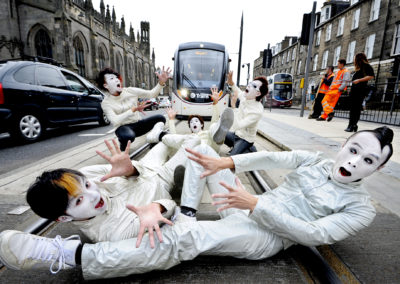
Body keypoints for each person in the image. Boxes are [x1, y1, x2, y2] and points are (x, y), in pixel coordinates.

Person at [0, 126, 393, 280]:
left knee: (179, 240)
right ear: (344, 143)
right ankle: (187, 211)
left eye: (368, 161)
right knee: (197, 149)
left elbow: (312, 233)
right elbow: (274, 159)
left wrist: (256, 205)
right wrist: (227, 161)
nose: (354, 161)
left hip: (266, 233)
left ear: (375, 170)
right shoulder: (316, 160)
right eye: (354, 149)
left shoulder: (361, 209)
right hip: (245, 203)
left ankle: (67, 254)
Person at [23, 136, 199, 243]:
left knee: (163, 144)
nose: (93, 194)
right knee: (195, 142)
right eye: (79, 200)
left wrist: (130, 170)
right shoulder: (114, 234)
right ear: (63, 218)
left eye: (87, 185)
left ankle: (161, 135)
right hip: (165, 182)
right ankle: (181, 181)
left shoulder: (85, 174)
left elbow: (129, 167)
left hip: (147, 167)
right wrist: (158, 207)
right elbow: (170, 206)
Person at [97, 67, 172, 150]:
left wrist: (161, 83)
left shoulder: (130, 91)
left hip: (138, 124)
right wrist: (132, 110)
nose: (117, 80)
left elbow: (151, 94)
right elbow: (115, 121)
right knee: (128, 136)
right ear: (105, 85)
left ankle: (154, 138)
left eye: (116, 78)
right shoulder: (106, 102)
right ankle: (123, 148)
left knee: (160, 118)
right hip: (123, 128)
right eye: (112, 78)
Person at [165, 87, 234, 153]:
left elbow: (214, 120)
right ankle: (219, 136)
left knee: (213, 127)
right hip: (195, 152)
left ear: (201, 124)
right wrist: (171, 120)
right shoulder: (188, 137)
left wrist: (215, 103)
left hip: (209, 149)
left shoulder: (207, 133)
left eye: (196, 121)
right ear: (190, 127)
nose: (194, 123)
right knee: (175, 141)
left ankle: (219, 135)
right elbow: (174, 138)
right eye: (191, 122)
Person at [225, 71, 268, 155]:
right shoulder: (246, 97)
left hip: (246, 139)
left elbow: (238, 125)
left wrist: (233, 106)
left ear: (258, 93)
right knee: (219, 132)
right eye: (250, 83)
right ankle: (239, 148)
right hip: (236, 135)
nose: (249, 85)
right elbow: (238, 91)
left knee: (233, 160)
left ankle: (249, 149)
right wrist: (232, 83)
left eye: (254, 86)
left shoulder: (257, 111)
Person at [345, 53, 375, 132]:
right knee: (352, 108)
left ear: (358, 59)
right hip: (354, 90)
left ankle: (352, 125)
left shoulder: (366, 66)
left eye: (354, 58)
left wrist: (359, 80)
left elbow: (371, 76)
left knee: (356, 108)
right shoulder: (357, 68)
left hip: (360, 90)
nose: (353, 60)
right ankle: (352, 124)